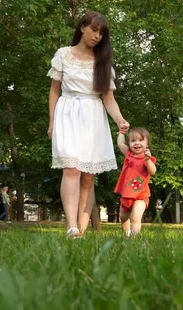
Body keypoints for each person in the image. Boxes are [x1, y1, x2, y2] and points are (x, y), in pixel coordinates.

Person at [47, 11, 129, 237]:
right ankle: (71, 226)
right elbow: (54, 91)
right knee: (71, 168)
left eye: (101, 33)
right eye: (94, 30)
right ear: (82, 28)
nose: (97, 36)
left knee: (88, 175)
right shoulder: (63, 55)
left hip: (93, 117)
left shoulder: (102, 64)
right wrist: (52, 120)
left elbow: (108, 99)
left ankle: (81, 231)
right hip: (67, 113)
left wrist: (120, 120)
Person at [114, 127, 157, 237]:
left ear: (147, 144)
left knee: (135, 217)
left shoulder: (148, 158)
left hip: (141, 194)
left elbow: (153, 171)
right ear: (129, 144)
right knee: (123, 217)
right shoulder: (128, 154)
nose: (137, 143)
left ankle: (134, 239)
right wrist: (121, 133)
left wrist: (147, 160)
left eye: (140, 140)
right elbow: (120, 144)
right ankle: (126, 234)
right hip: (127, 194)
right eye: (133, 141)